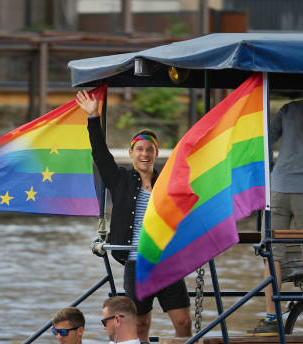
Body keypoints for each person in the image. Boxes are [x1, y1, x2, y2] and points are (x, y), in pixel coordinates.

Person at [76, 90, 191, 342]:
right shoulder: (120, 180)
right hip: (136, 263)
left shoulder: (167, 182)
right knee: (140, 325)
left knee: (183, 322)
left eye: (150, 149)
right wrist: (93, 117)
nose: (145, 154)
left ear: (156, 152)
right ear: (131, 153)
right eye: (139, 149)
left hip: (167, 261)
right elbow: (100, 154)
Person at [247, 82, 303, 337]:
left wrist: (270, 170)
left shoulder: (290, 109)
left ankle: (271, 319)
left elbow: (264, 140)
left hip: (278, 188)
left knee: (273, 256)